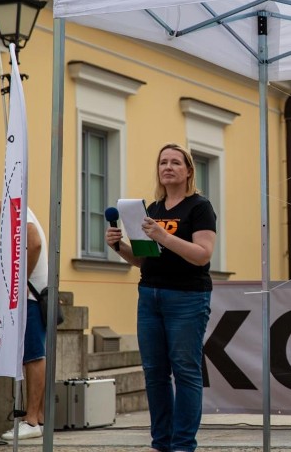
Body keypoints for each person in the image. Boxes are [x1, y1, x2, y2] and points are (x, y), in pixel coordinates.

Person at [105, 143, 216, 452]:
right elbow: (145, 260)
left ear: (188, 170)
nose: (168, 167)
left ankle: (182, 445)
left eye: (175, 162)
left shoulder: (199, 207)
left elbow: (203, 255)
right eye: (163, 162)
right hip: (150, 295)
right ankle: (160, 442)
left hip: (187, 298)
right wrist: (119, 247)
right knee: (154, 373)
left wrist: (164, 236)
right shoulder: (152, 210)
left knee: (185, 370)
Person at [0, 189, 48, 440]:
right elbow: (9, 260)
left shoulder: (14, 210)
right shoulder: (13, 212)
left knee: (33, 356)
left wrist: (20, 278)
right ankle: (39, 417)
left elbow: (32, 243)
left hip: (31, 297)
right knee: (32, 355)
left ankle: (32, 421)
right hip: (33, 294)